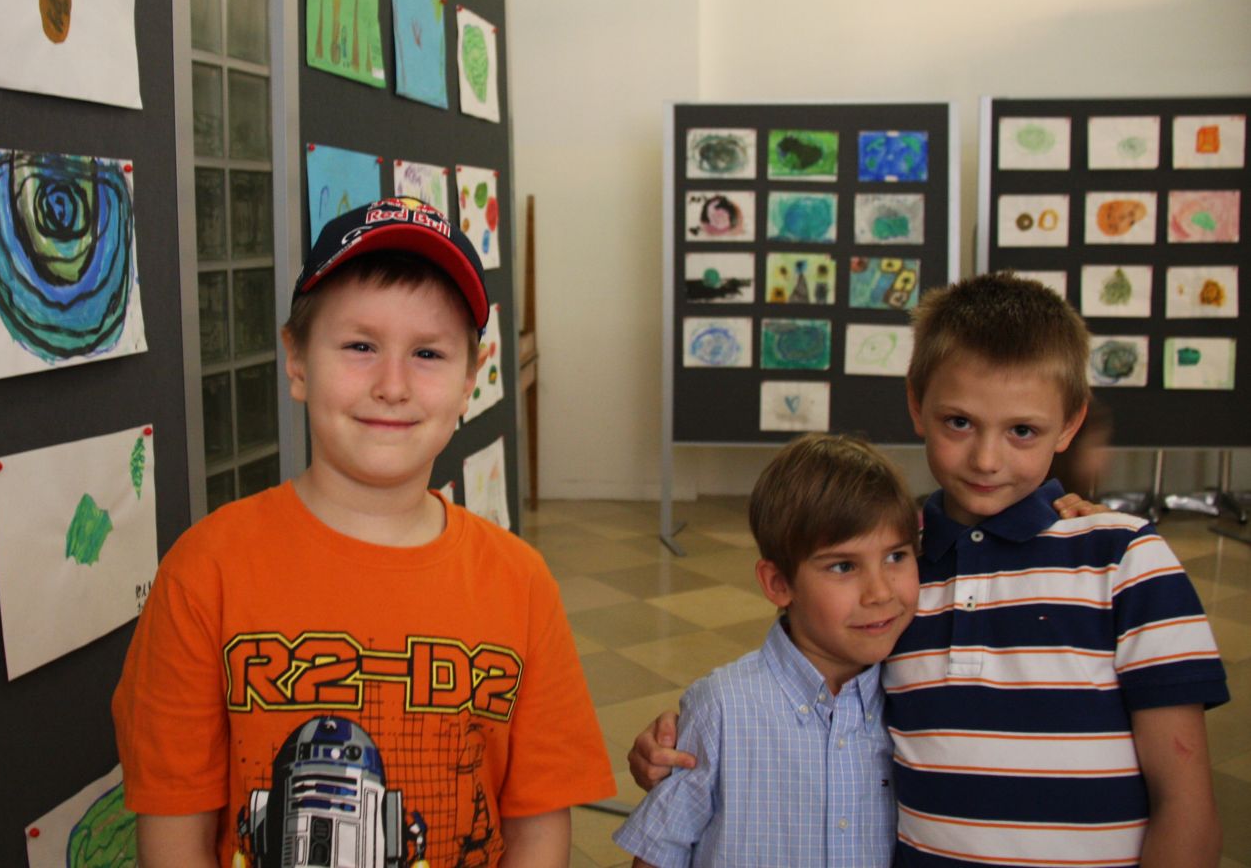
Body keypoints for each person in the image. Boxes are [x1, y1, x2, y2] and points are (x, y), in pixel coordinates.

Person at [630, 273, 1228, 867]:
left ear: (1070, 424)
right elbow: (805, 689)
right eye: (959, 423)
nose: (987, 460)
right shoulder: (898, 570)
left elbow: (1185, 803)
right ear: (917, 404)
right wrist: (690, 741)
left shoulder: (1128, 563)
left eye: (1022, 431)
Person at [113, 198, 615, 868]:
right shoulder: (205, 571)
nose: (392, 385)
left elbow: (539, 825)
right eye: (360, 346)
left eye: (428, 353)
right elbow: (174, 833)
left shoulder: (519, 582)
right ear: (297, 361)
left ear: (470, 379)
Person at [614, 433, 920, 867]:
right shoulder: (721, 708)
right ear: (778, 584)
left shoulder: (917, 693)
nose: (881, 592)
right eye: (843, 566)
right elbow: (660, 853)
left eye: (896, 557)